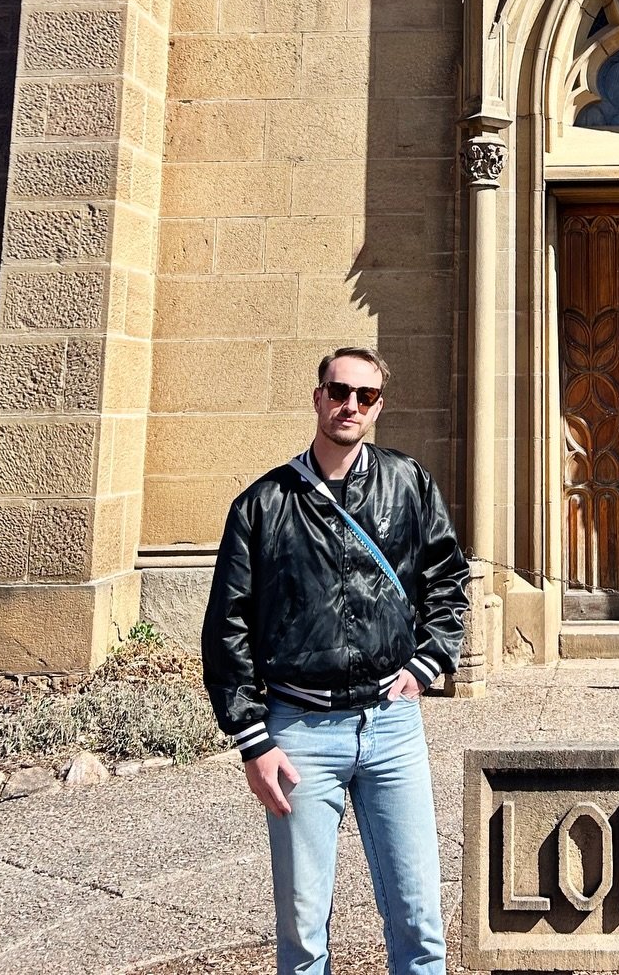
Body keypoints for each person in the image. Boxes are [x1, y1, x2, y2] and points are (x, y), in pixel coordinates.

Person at [202, 347, 471, 975]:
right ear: (318, 396)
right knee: (302, 934)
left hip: (390, 727)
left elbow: (448, 580)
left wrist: (427, 663)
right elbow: (227, 625)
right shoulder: (263, 503)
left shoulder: (408, 484)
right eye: (339, 391)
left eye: (365, 396)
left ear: (378, 407)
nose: (351, 405)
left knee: (420, 919)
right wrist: (252, 740)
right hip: (299, 733)